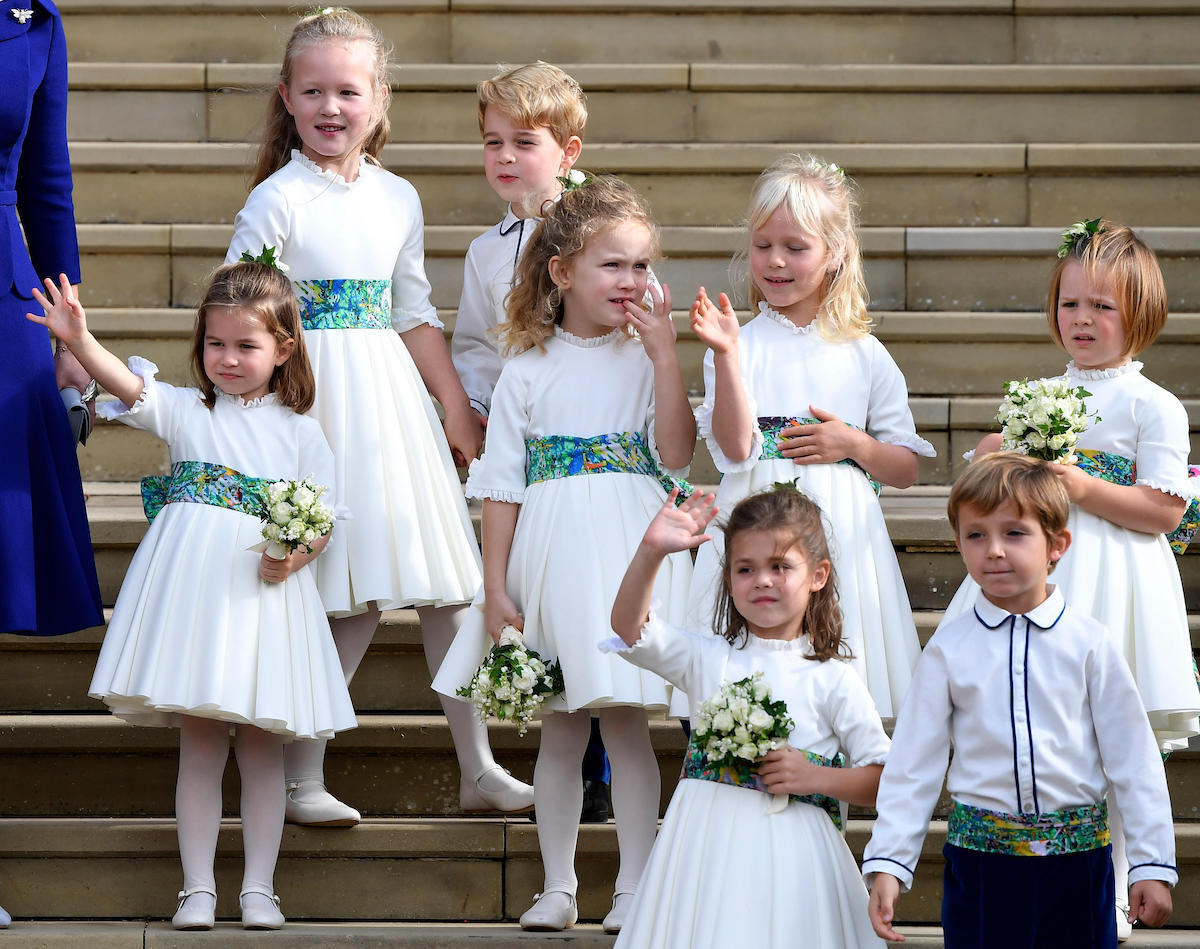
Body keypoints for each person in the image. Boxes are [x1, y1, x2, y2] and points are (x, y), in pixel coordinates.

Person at [225, 6, 531, 823]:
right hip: (316, 406)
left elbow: (414, 313)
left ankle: (478, 765)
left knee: (447, 588)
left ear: (380, 99)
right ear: (287, 97)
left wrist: (456, 407)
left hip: (394, 407)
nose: (332, 107)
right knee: (350, 592)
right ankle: (301, 775)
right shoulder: (276, 201)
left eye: (348, 91)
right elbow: (243, 319)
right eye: (315, 90)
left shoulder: (398, 197)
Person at [28, 261, 357, 930]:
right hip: (198, 604)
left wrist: (292, 557)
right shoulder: (188, 409)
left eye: (246, 346)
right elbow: (127, 385)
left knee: (263, 748)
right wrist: (80, 341)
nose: (228, 359)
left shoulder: (300, 432)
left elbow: (322, 521)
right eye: (215, 345)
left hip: (264, 605)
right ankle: (198, 886)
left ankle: (259, 887)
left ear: (284, 348)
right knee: (202, 745)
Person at [432, 176, 695, 933]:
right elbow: (502, 486)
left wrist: (668, 357)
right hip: (551, 554)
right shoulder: (527, 368)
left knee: (625, 720)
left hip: (627, 549)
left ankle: (636, 884)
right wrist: (492, 583)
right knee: (560, 725)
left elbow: (676, 456)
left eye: (642, 266)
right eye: (613, 265)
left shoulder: (648, 358)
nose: (632, 281)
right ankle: (557, 882)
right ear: (562, 272)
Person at [940, 220, 1198, 937]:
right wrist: (998, 448)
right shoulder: (1038, 393)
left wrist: (1081, 487)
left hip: (1115, 574)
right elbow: (991, 480)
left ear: (1139, 315)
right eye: (1070, 303)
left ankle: (1116, 882)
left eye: (1103, 307)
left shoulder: (1154, 406)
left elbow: (1165, 508)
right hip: (1037, 574)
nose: (1082, 320)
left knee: (1113, 728)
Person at [864, 454, 1176, 948]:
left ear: (1057, 545)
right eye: (975, 535)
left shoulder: (1090, 643)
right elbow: (912, 765)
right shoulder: (949, 648)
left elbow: (1133, 760)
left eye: (1014, 533)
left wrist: (1151, 862)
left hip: (1078, 867)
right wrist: (889, 863)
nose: (993, 551)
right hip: (982, 870)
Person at [687, 153, 931, 721]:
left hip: (839, 530)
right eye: (763, 244)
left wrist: (856, 446)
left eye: (795, 248)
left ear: (835, 253)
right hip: (752, 516)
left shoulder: (865, 352)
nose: (775, 261)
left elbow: (905, 468)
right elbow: (735, 450)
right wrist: (725, 358)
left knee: (834, 686)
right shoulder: (735, 344)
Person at [606, 486, 890, 948]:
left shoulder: (832, 678)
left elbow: (885, 778)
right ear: (728, 578)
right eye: (746, 569)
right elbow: (628, 628)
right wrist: (651, 551)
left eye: (780, 566)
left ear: (818, 575)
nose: (762, 580)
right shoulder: (706, 658)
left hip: (796, 861)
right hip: (703, 855)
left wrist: (814, 776)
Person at [452, 60, 613, 823]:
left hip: (591, 441)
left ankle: (610, 763)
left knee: (596, 602)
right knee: (542, 603)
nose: (506, 158)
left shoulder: (598, 233)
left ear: (568, 151)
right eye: (492, 143)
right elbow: (477, 348)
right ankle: (572, 763)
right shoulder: (487, 254)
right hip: (525, 447)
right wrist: (477, 408)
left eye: (524, 141)